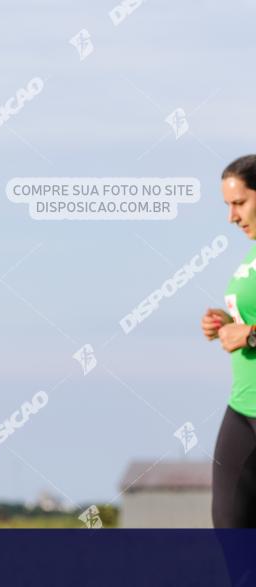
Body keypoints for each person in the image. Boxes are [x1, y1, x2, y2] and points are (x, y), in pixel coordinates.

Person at [203, 154, 256, 528]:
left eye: (239, 203)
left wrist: (250, 336)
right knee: (230, 525)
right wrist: (227, 322)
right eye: (228, 205)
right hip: (242, 407)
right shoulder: (252, 253)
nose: (232, 217)